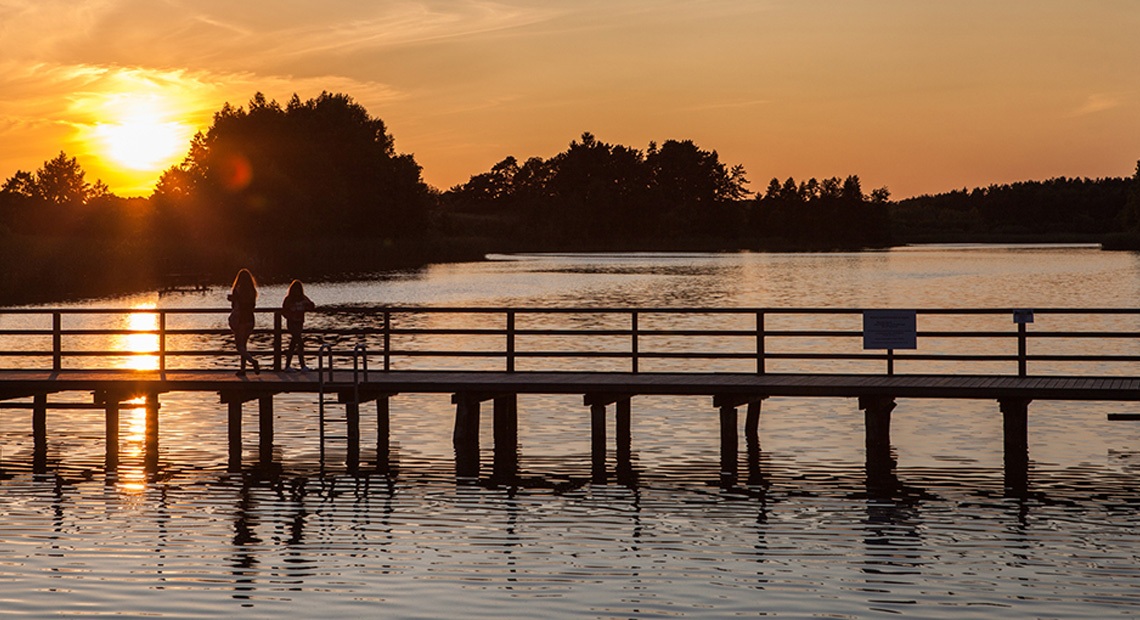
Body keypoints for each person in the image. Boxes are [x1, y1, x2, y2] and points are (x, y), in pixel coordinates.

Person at [228, 268, 259, 376]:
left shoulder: (237, 290)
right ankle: (243, 370)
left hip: (241, 319)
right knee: (244, 345)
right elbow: (253, 306)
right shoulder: (252, 291)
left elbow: (235, 306)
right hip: (250, 319)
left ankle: (252, 361)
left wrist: (232, 299)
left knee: (239, 346)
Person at [281, 279, 316, 370]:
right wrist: (290, 314)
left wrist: (307, 304)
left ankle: (288, 365)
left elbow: (312, 305)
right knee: (299, 342)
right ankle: (302, 365)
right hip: (292, 323)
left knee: (293, 344)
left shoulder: (303, 298)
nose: (297, 291)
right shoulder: (288, 299)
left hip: (299, 322)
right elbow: (284, 311)